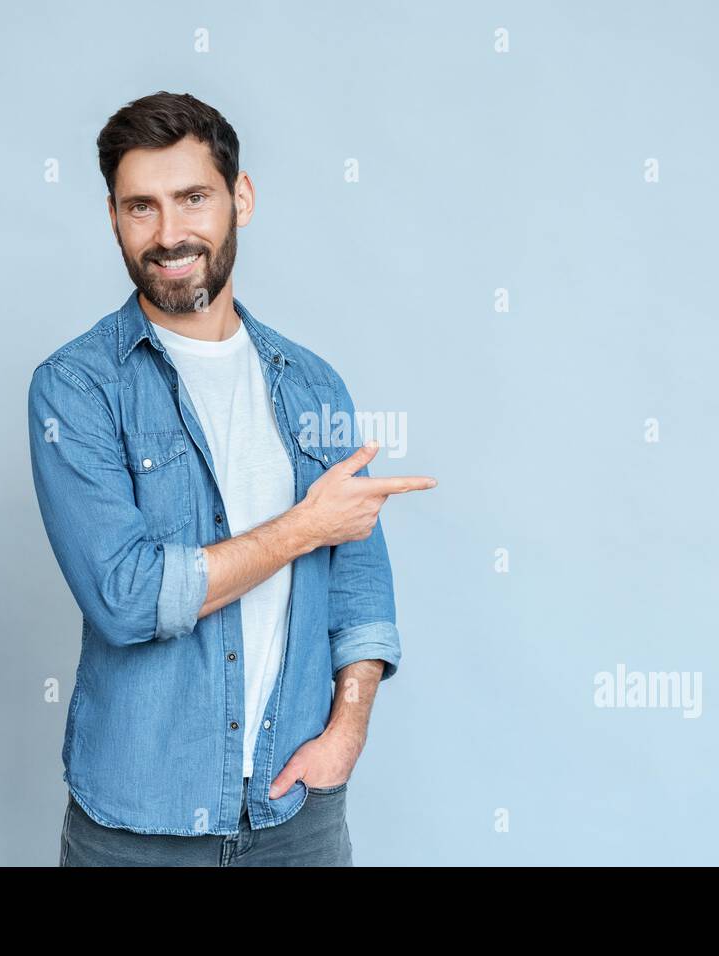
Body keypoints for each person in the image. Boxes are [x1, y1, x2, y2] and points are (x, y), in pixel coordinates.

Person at [28, 91, 436, 866]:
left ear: (239, 199)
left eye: (193, 198)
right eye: (140, 206)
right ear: (112, 217)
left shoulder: (314, 387)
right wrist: (302, 527)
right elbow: (130, 598)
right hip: (138, 830)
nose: (170, 232)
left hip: (296, 821)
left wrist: (345, 733)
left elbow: (360, 594)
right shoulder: (75, 390)